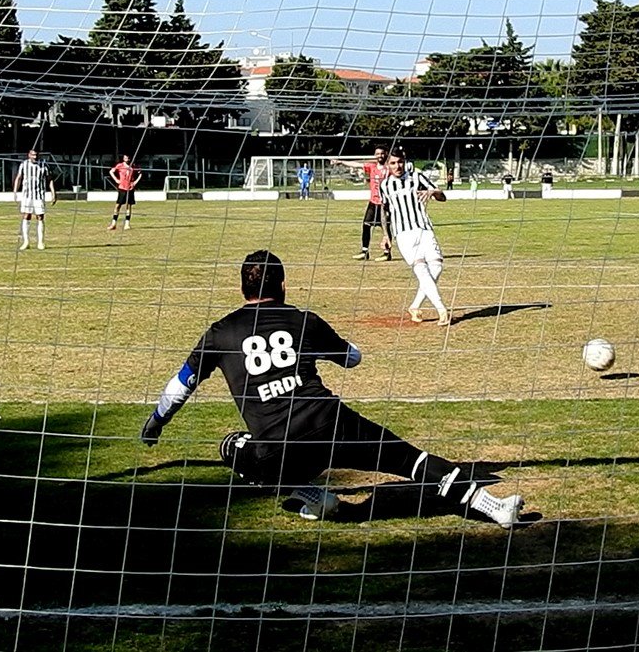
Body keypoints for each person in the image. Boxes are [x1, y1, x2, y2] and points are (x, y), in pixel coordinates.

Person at [138, 251, 524, 527]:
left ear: (242, 289)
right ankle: (493, 506)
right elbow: (352, 358)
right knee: (411, 462)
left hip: (278, 445)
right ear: (284, 284)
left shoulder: (220, 332)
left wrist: (156, 422)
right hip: (330, 422)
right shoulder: (304, 320)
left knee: (231, 447)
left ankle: (310, 495)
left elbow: (180, 385)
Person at [379, 148, 451, 326]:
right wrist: (385, 236)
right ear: (388, 165)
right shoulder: (385, 185)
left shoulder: (417, 177)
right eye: (393, 163)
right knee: (421, 270)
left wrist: (433, 192)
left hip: (425, 228)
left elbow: (443, 197)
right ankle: (442, 310)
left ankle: (415, 306)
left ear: (405, 161)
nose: (397, 166)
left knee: (437, 267)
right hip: (403, 234)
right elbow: (384, 211)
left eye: (400, 162)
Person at [333, 147, 391, 261]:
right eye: (377, 154)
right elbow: (356, 165)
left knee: (386, 228)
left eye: (382, 153)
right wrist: (341, 162)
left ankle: (387, 253)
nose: (380, 156)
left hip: (385, 203)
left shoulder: (389, 169)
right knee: (366, 225)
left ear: (386, 154)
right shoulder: (372, 166)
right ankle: (365, 251)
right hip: (373, 202)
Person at [13, 148, 56, 251]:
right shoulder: (24, 165)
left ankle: (40, 242)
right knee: (26, 216)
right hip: (27, 195)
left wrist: (53, 193)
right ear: (29, 155)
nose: (35, 157)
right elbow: (19, 177)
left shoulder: (44, 165)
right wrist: (15, 191)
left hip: (39, 195)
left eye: (36, 155)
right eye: (33, 155)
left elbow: (49, 179)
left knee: (40, 217)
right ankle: (26, 242)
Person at [107, 154, 141, 230]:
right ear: (123, 158)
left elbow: (140, 174)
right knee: (117, 206)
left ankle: (127, 224)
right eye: (125, 157)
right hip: (122, 188)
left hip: (130, 188)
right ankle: (113, 224)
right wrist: (116, 180)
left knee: (128, 206)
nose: (127, 158)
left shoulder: (133, 166)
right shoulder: (120, 165)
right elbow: (111, 171)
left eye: (128, 157)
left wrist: (135, 182)